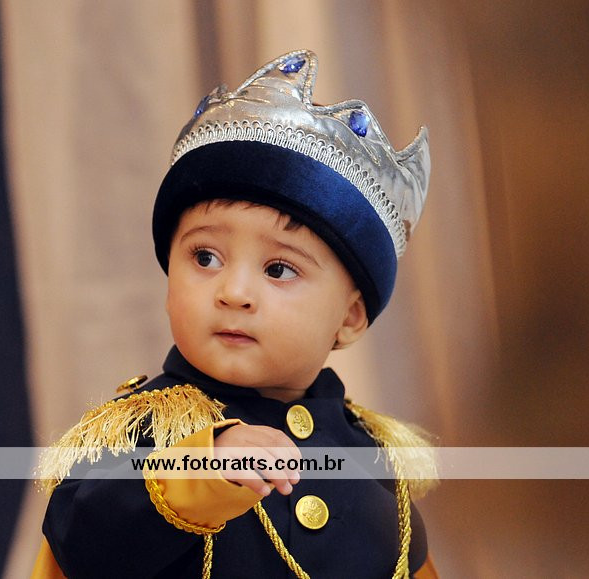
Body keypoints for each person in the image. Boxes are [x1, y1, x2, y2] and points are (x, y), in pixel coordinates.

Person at [32, 49, 439, 579]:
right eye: (205, 258)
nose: (234, 292)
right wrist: (200, 470)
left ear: (350, 317)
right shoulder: (141, 431)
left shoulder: (372, 459)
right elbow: (83, 540)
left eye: (279, 269)